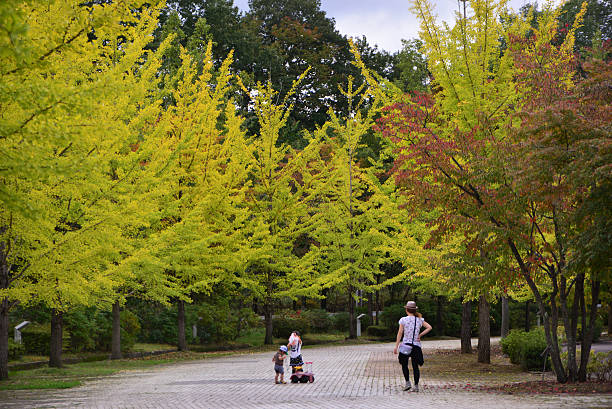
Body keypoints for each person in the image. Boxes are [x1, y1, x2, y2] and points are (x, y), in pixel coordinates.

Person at [393, 301, 432, 392]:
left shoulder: (403, 320)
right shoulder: (419, 320)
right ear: (414, 310)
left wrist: (396, 346)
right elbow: (429, 327)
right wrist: (420, 335)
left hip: (405, 345)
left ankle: (407, 383)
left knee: (404, 364)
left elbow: (400, 333)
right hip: (416, 346)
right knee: (415, 366)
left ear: (406, 310)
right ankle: (416, 386)